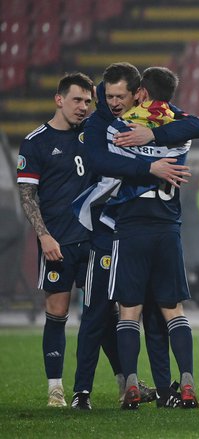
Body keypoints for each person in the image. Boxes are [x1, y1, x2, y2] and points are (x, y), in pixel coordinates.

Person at [76, 62, 199, 410]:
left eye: (122, 95)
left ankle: (131, 383)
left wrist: (145, 145)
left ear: (140, 93)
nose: (114, 102)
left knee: (128, 310)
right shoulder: (178, 129)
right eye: (110, 95)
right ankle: (187, 380)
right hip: (168, 227)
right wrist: (157, 145)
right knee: (173, 310)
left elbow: (102, 162)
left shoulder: (121, 127)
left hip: (130, 227)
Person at [17, 73, 94, 407]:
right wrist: (44, 235)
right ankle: (55, 389)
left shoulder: (92, 135)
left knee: (102, 313)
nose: (84, 107)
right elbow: (27, 195)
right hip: (58, 242)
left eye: (89, 101)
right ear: (59, 99)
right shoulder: (35, 142)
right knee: (57, 310)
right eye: (77, 100)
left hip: (94, 240)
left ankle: (122, 384)